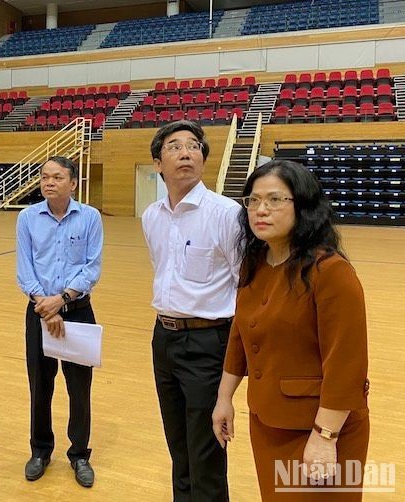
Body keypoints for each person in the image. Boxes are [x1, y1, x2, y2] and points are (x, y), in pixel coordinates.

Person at [212, 160, 370, 500]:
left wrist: (325, 436)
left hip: (320, 426)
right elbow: (240, 335)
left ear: (303, 206)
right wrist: (224, 398)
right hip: (267, 420)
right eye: (253, 201)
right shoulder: (254, 264)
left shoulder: (331, 272)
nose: (260, 210)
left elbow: (346, 365)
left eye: (274, 200)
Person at [141, 120, 241, 501]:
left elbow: (243, 283)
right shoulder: (152, 216)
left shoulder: (225, 213)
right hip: (163, 338)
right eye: (174, 146)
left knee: (206, 451)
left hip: (207, 342)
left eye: (193, 146)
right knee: (178, 446)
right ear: (158, 163)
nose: (185, 152)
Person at [16, 155, 103, 488]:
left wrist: (62, 300)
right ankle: (40, 450)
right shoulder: (27, 218)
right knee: (40, 386)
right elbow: (25, 269)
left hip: (78, 311)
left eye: (56, 177)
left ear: (73, 183)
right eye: (44, 177)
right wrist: (45, 305)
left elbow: (92, 267)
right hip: (38, 312)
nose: (48, 182)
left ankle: (80, 454)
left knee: (79, 389)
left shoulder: (90, 217)